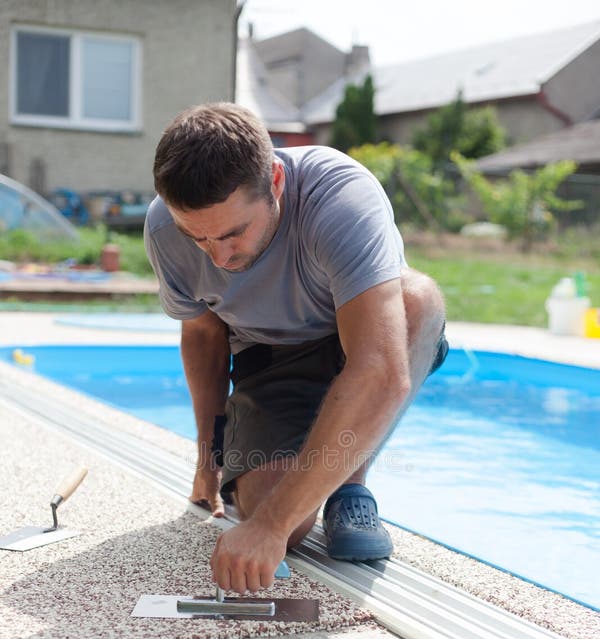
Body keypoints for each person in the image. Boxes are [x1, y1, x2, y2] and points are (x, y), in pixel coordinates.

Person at [144, 102, 447, 594]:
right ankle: (310, 489)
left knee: (418, 298)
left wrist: (269, 530)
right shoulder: (163, 229)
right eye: (197, 237)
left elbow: (380, 369)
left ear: (277, 183)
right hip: (267, 359)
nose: (219, 256)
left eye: (233, 232)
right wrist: (209, 457)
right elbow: (203, 336)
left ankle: (350, 487)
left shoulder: (339, 196)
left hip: (353, 341)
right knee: (279, 512)